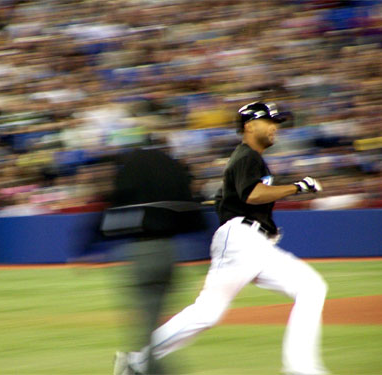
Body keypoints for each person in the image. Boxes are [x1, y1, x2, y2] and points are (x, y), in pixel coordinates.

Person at [114, 102, 329, 375]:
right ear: (250, 126)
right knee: (213, 311)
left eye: (277, 122)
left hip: (252, 242)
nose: (275, 127)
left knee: (307, 288)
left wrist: (224, 199)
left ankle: (137, 362)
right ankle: (137, 360)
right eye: (270, 122)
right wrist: (298, 187)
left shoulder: (247, 159)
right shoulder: (247, 156)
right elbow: (253, 194)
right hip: (243, 239)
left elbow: (236, 197)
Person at [103, 142, 203, 375]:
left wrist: (91, 244)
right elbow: (191, 211)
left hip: (140, 251)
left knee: (149, 323)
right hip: (169, 251)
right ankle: (138, 364)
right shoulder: (172, 169)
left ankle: (134, 364)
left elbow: (113, 210)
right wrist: (206, 255)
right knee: (156, 322)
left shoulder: (130, 170)